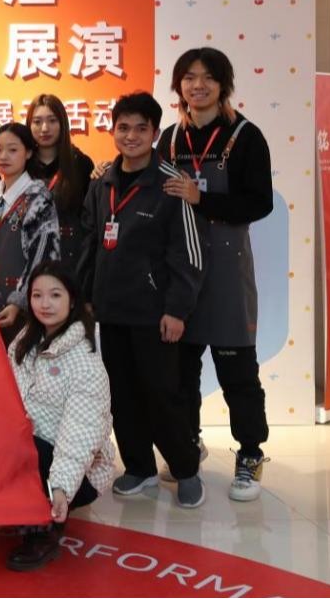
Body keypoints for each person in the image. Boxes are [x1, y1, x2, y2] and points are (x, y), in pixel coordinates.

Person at [77, 91, 207, 508]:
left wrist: (177, 310)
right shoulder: (102, 183)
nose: (131, 136)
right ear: (113, 130)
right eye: (123, 128)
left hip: (155, 314)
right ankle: (139, 468)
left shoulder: (170, 184)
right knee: (122, 394)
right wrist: (88, 297)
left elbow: (188, 254)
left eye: (140, 128)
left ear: (154, 133)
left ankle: (185, 469)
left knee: (163, 395)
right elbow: (90, 242)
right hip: (111, 311)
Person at [158, 47, 274, 501]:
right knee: (180, 374)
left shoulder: (245, 137)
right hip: (181, 274)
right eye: (189, 77)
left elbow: (259, 203)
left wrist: (201, 199)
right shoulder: (169, 140)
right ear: (178, 86)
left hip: (226, 275)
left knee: (238, 374)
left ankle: (250, 454)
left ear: (223, 85)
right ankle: (189, 444)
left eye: (208, 77)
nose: (198, 86)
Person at [5, 261, 115, 572]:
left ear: (72, 300)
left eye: (55, 295)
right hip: (31, 447)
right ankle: (18, 505)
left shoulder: (85, 362)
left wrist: (61, 489)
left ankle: (45, 532)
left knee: (28, 449)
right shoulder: (24, 341)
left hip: (77, 470)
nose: (45, 304)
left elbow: (79, 433)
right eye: (37, 295)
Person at [0, 123, 60, 345]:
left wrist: (19, 301)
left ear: (29, 153)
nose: (3, 156)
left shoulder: (38, 198)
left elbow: (42, 257)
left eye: (13, 150)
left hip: (26, 307)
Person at [26, 94, 96, 270]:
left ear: (62, 123)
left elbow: (89, 220)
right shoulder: (22, 164)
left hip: (69, 261)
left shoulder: (80, 163)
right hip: (28, 260)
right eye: (37, 122)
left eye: (52, 120)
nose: (44, 128)